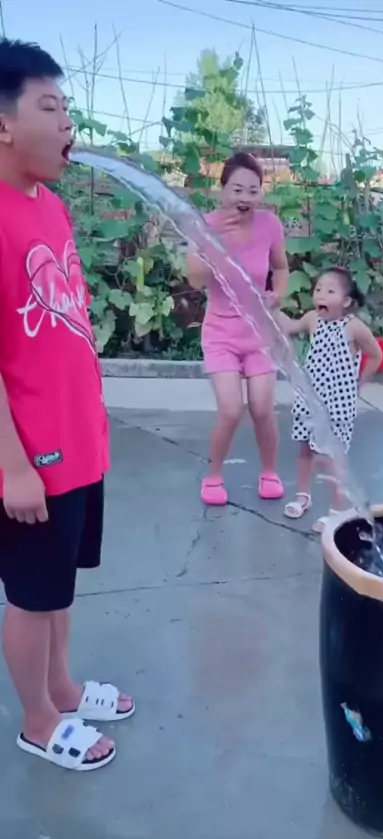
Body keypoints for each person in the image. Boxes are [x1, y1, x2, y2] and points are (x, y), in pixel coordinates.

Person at [0, 39, 134, 772]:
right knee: (30, 594)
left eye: (67, 110)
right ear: (3, 124)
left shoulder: (48, 206)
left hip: (78, 440)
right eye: (50, 108)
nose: (67, 125)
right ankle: (38, 720)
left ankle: (62, 687)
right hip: (31, 456)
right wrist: (15, 467)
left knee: (59, 587)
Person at [187, 151, 289, 506]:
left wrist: (278, 294)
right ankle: (214, 475)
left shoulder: (269, 224)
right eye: (237, 190)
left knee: (262, 408)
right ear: (223, 189)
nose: (245, 198)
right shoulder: (205, 225)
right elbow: (195, 278)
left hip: (260, 333)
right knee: (231, 410)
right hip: (221, 334)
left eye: (253, 191)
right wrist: (216, 242)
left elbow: (281, 268)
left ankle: (269, 471)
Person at [280, 267, 382, 532]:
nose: (321, 295)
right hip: (309, 400)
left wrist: (359, 384)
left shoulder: (354, 327)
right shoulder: (312, 319)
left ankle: (337, 509)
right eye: (318, 289)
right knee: (305, 449)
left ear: (346, 301)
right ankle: (303, 496)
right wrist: (270, 306)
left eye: (330, 291)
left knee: (328, 458)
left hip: (337, 406)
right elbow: (289, 327)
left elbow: (376, 355)